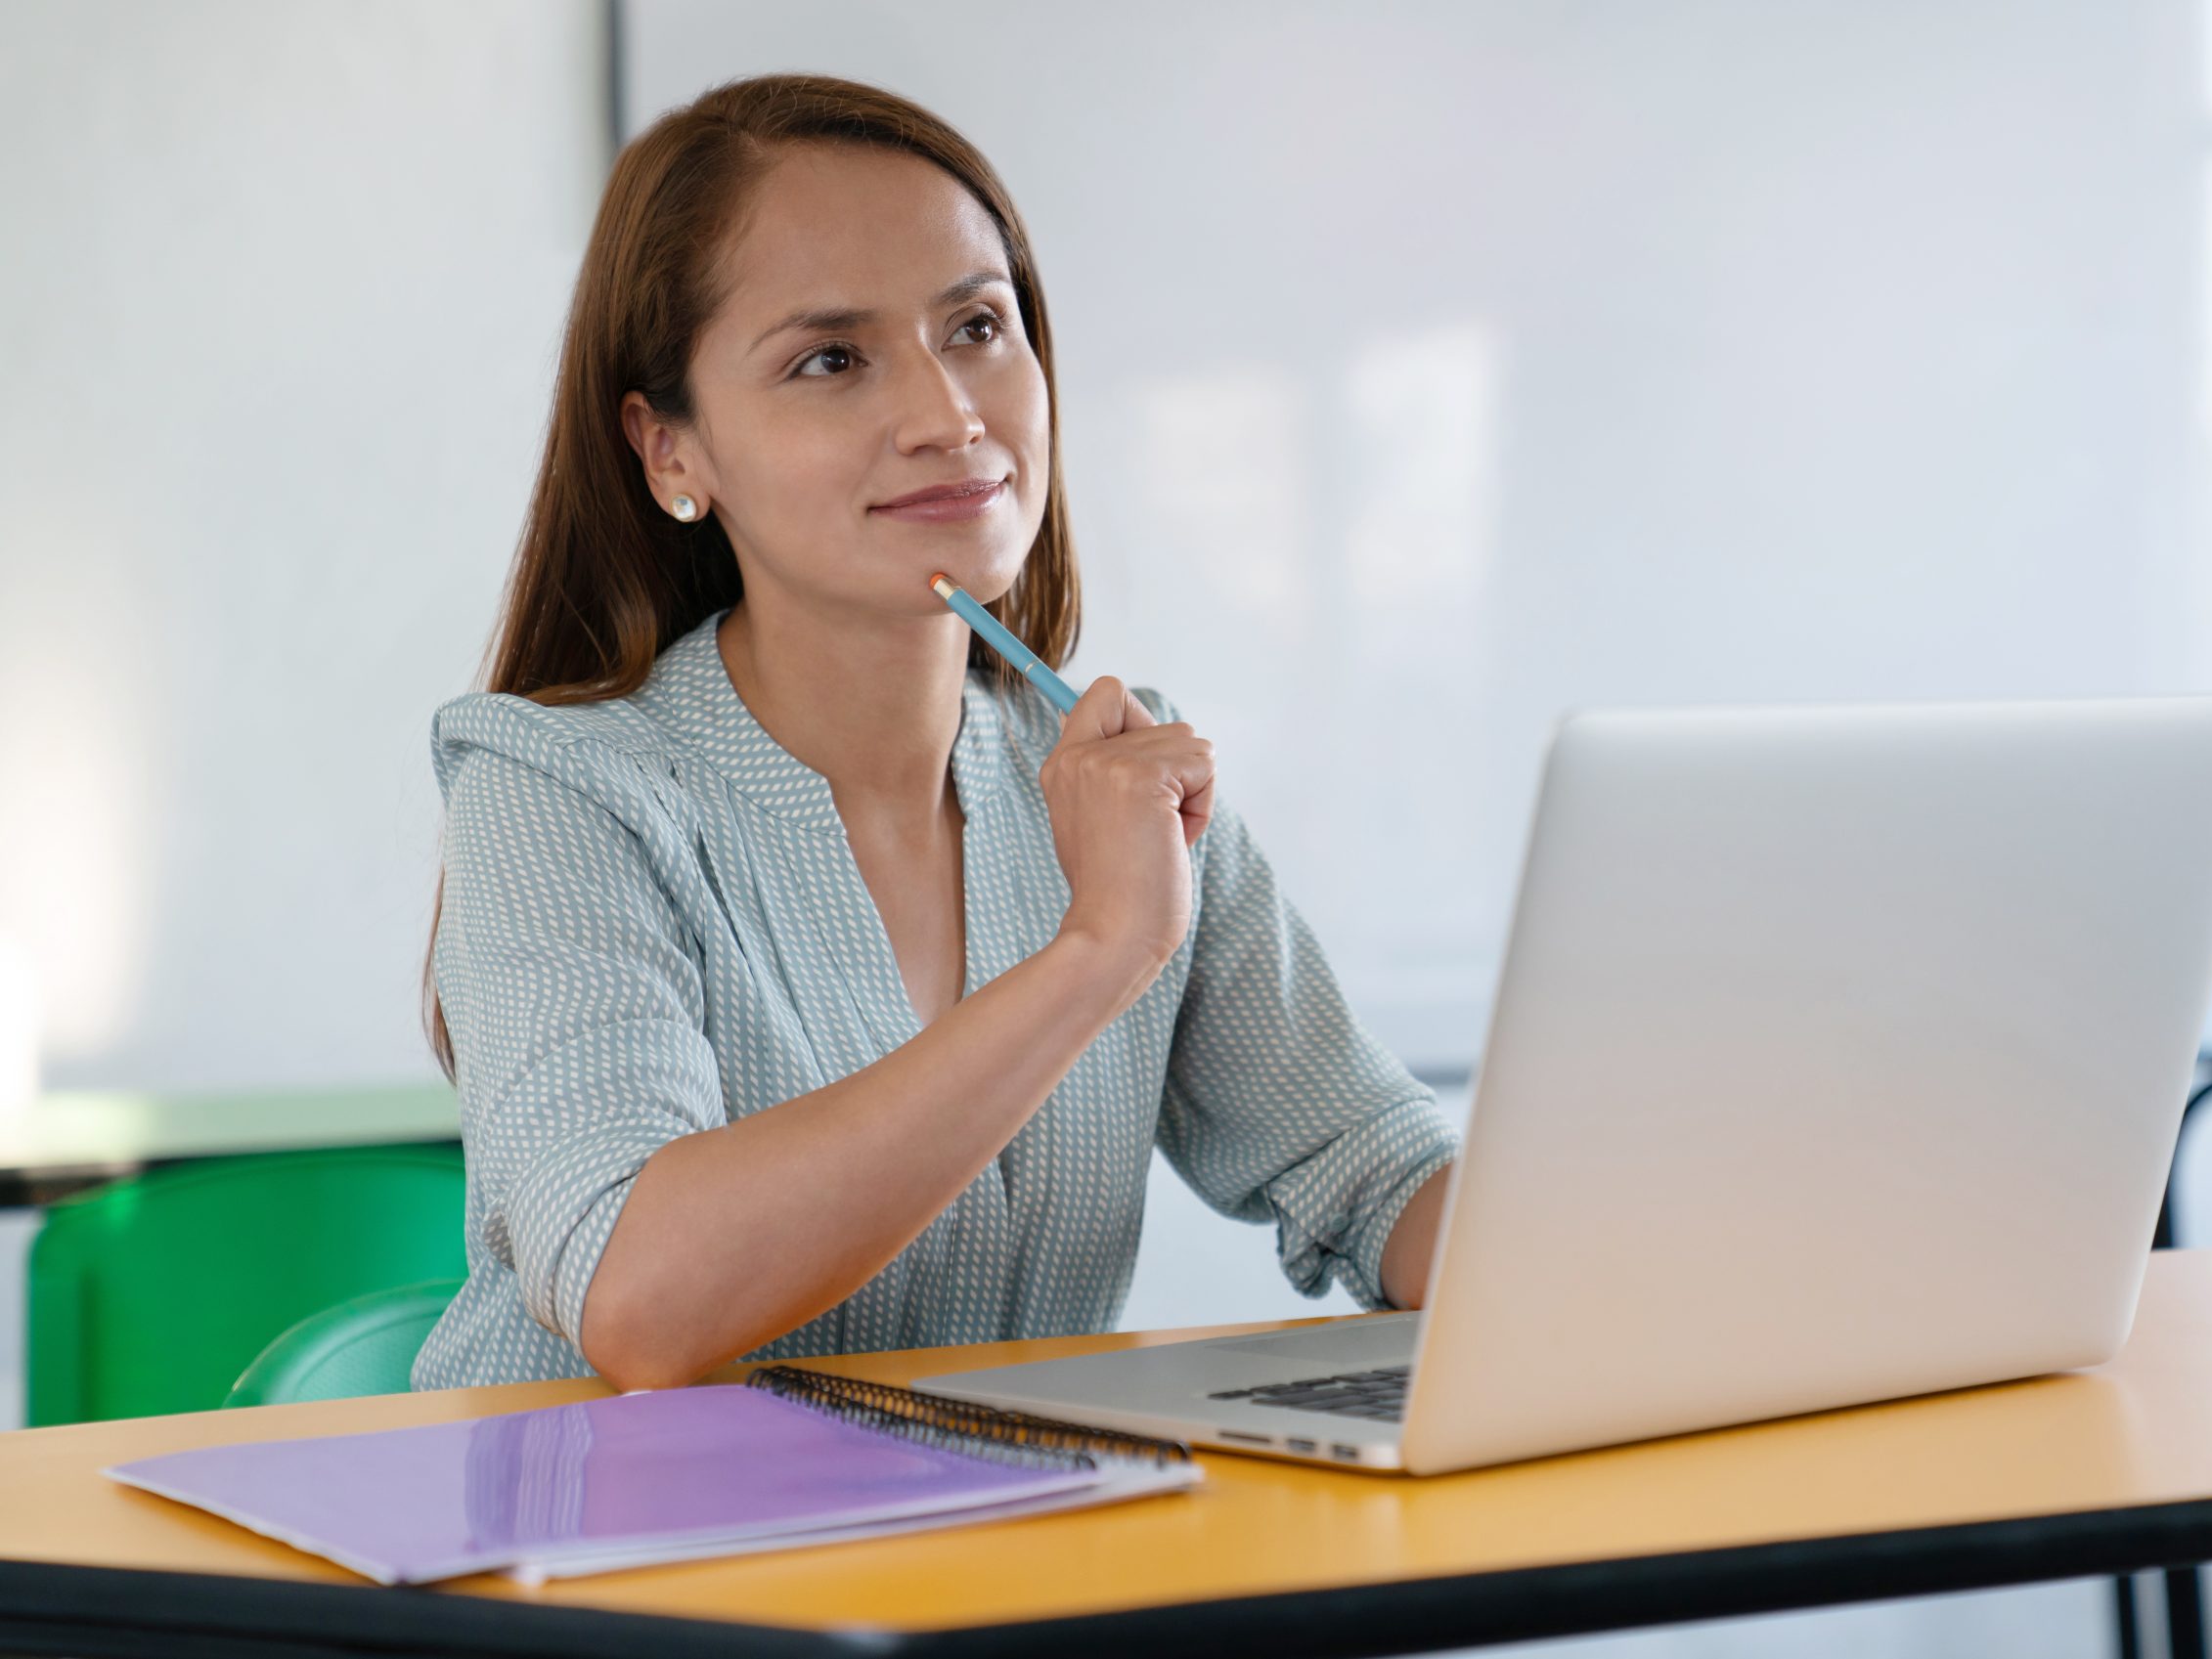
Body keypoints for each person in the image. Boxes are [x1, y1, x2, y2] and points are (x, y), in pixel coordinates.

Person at [411, 73, 1459, 1392]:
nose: (949, 414)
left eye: (975, 326)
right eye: (832, 359)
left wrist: (1649, 1262)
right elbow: (645, 1298)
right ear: (671, 447)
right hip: (598, 1577)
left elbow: (1378, 1170)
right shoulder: (556, 788)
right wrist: (1093, 953)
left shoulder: (1115, 774)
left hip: (989, 1571)